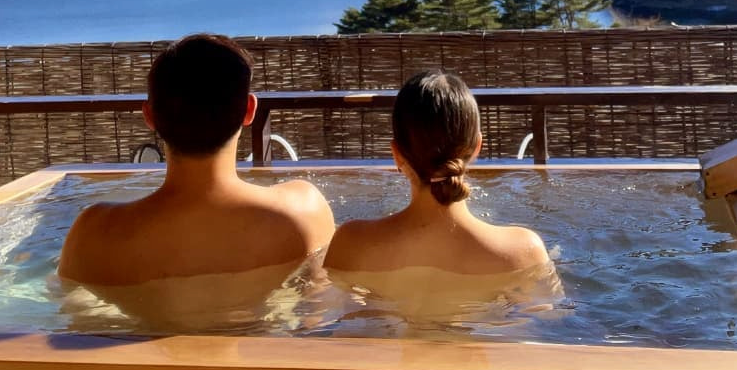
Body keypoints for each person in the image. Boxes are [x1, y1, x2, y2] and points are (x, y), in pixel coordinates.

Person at [58, 34, 335, 302]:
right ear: (249, 110)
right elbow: (316, 310)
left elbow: (74, 316)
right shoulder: (304, 209)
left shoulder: (94, 234)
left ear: (149, 116)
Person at [324, 70, 551, 280]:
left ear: (397, 154)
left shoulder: (351, 243)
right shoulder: (523, 251)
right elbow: (543, 320)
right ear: (477, 147)